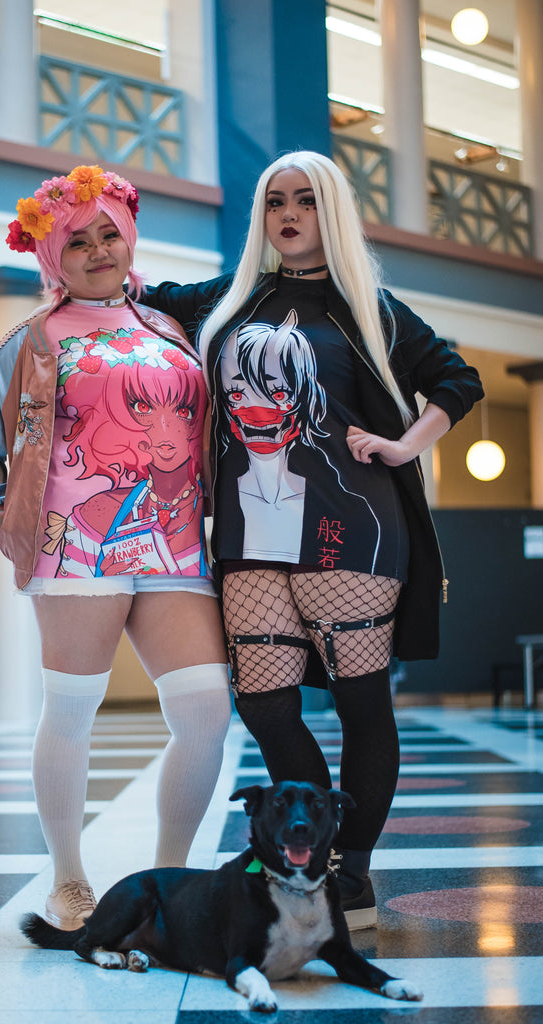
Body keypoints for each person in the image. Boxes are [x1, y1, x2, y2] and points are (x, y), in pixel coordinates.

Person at [142, 150, 484, 929]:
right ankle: (320, 857)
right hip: (247, 532)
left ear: (330, 212)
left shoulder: (371, 308)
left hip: (348, 524)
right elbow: (133, 297)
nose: (288, 214)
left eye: (304, 201)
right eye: (275, 201)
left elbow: (457, 379)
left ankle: (350, 875)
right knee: (264, 705)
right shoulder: (229, 300)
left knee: (362, 704)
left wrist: (404, 445)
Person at [0, 164, 231, 930]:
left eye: (111, 234)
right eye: (78, 241)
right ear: (53, 256)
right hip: (76, 546)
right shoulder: (33, 338)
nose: (99, 250)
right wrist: (3, 516)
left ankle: (169, 879)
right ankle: (69, 879)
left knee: (206, 711)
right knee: (72, 710)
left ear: (130, 238)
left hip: (175, 544)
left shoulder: (170, 329)